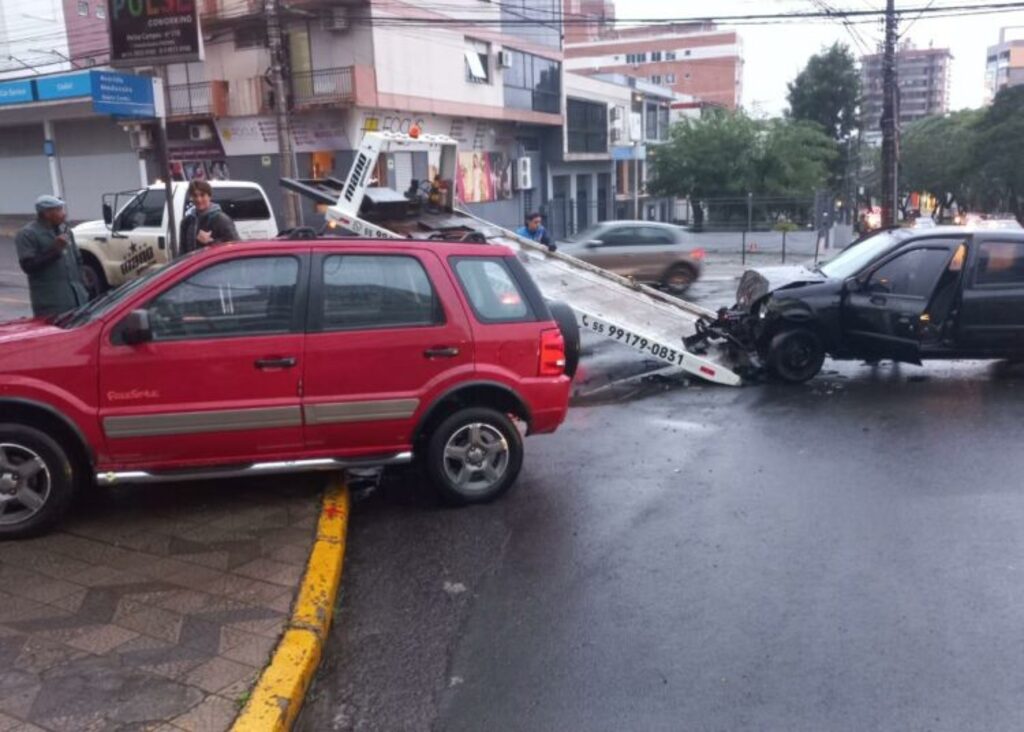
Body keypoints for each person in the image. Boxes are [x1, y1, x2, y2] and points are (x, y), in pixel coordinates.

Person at [16, 195, 90, 318]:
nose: (64, 214)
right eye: (59, 210)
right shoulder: (28, 234)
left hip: (78, 300)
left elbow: (78, 260)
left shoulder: (65, 231)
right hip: (52, 304)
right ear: (47, 213)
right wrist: (55, 250)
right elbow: (28, 266)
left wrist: (84, 286)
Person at [179, 179, 238, 255]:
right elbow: (182, 251)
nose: (199, 199)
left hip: (215, 262)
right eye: (195, 196)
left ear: (209, 196)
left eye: (202, 195)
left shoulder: (221, 219)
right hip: (193, 262)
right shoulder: (186, 222)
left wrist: (211, 242)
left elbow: (236, 245)